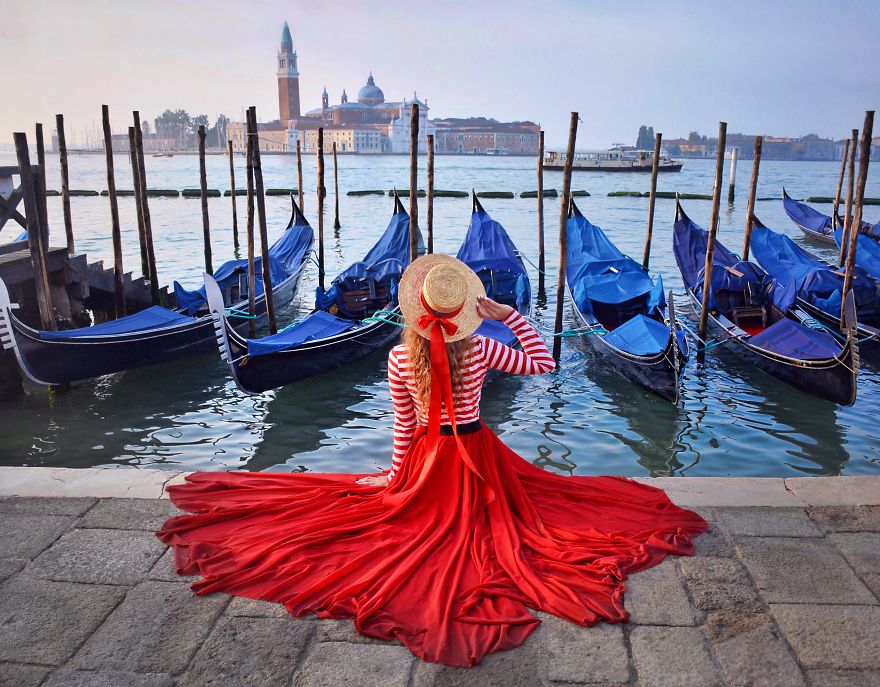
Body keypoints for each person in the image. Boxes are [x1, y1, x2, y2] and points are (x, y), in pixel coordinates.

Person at [157, 254, 706, 668]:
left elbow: (403, 426)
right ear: (464, 310)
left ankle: (407, 498)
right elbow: (542, 364)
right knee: (534, 521)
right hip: (477, 454)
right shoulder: (483, 347)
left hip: (426, 458)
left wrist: (398, 479)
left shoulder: (399, 356)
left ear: (416, 312)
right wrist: (508, 314)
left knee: (399, 520)